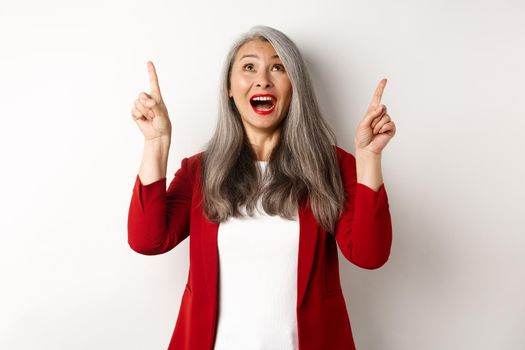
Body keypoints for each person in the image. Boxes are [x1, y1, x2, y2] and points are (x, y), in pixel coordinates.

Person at [128, 25, 396, 350]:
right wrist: (156, 143)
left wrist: (368, 158)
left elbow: (369, 254)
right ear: (229, 87)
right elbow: (147, 240)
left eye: (278, 67)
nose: (263, 79)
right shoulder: (201, 171)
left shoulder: (332, 166)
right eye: (249, 67)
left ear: (294, 85)